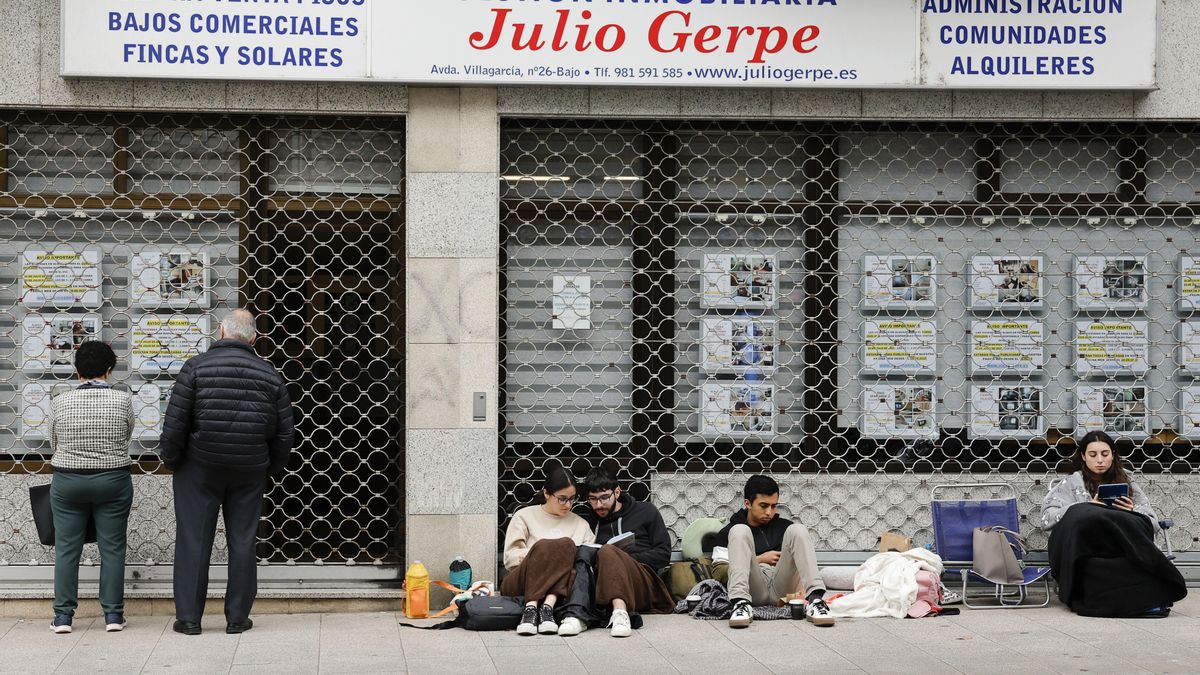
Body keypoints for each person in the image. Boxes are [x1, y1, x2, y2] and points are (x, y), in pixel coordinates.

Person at [161, 309, 294, 636]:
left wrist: (172, 460)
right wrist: (268, 467)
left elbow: (176, 423)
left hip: (199, 467)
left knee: (193, 540)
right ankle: (237, 618)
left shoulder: (195, 368)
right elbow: (284, 433)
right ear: (252, 338)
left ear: (220, 332)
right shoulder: (269, 375)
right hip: (249, 470)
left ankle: (190, 618)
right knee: (243, 541)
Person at [1041, 430, 1187, 617]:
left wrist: (1130, 510)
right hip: (1086, 550)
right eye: (1093, 455)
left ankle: (1146, 601)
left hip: (1121, 548)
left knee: (1126, 536)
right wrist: (1087, 507)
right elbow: (1048, 518)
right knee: (1083, 513)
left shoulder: (1126, 481)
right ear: (1084, 457)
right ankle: (1144, 601)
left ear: (1113, 456)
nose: (1099, 460)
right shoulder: (1071, 483)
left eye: (1105, 454)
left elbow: (1151, 521)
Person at [47, 342, 135, 634]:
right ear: (109, 371)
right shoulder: (122, 400)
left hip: (68, 481)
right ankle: (113, 615)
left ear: (77, 371)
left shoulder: (60, 401)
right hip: (112, 479)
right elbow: (127, 434)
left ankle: (62, 617)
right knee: (112, 548)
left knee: (66, 548)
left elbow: (53, 442)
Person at [560, 467, 674, 638]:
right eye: (593, 499)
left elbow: (664, 554)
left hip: (643, 582)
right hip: (602, 585)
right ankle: (580, 615)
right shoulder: (588, 521)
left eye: (604, 497)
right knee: (592, 554)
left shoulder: (646, 511)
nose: (598, 505)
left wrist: (623, 559)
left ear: (617, 492)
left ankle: (621, 614)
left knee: (608, 551)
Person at [715, 475, 834, 628]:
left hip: (782, 589)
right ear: (748, 503)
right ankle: (740, 604)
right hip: (752, 590)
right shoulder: (729, 532)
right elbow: (719, 574)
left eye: (773, 506)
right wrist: (759, 559)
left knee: (798, 529)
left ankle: (816, 601)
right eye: (763, 506)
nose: (769, 512)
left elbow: (800, 566)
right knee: (739, 530)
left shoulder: (784, 527)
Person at [501, 466, 595, 636]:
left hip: (563, 587)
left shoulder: (581, 524)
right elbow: (510, 558)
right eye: (562, 498)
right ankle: (532, 606)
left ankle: (545, 608)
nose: (568, 504)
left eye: (572, 499)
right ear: (546, 493)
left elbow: (585, 567)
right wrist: (544, 556)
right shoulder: (524, 516)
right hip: (521, 582)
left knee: (569, 553)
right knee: (555, 546)